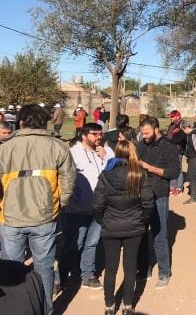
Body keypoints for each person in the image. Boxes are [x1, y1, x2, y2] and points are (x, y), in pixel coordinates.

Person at [0, 104, 76, 315]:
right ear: (45, 122)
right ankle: (45, 310)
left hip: (10, 218)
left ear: (21, 121)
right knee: (44, 269)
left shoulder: (3, 148)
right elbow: (68, 182)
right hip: (45, 217)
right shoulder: (58, 147)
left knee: (11, 273)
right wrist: (60, 204)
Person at [92, 139, 154, 315]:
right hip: (133, 225)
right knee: (130, 267)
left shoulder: (106, 174)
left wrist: (103, 221)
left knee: (110, 268)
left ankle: (109, 305)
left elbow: (97, 205)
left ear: (116, 153)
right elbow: (148, 203)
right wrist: (142, 220)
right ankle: (127, 305)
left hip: (111, 225)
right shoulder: (139, 173)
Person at [59, 122, 115, 290]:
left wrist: (105, 156)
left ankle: (88, 275)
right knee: (73, 243)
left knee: (92, 243)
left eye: (100, 134)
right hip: (77, 209)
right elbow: (63, 177)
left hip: (99, 208)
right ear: (84, 136)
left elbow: (116, 172)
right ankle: (59, 277)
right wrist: (72, 199)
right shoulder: (73, 153)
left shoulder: (107, 151)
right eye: (95, 134)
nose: (99, 137)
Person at [136, 117, 181, 288]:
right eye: (142, 133)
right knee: (140, 233)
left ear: (156, 130)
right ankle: (143, 268)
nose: (144, 136)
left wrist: (149, 167)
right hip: (140, 195)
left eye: (147, 133)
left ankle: (164, 272)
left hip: (159, 196)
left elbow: (174, 172)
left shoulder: (168, 148)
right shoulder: (142, 145)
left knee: (159, 235)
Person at [166, 110, 187, 196]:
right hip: (170, 149)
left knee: (178, 168)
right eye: (170, 116)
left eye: (172, 116)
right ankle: (172, 186)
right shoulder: (172, 125)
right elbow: (168, 135)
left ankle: (179, 187)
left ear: (178, 116)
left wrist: (169, 140)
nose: (170, 118)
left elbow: (181, 138)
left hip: (178, 150)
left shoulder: (182, 125)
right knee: (171, 167)